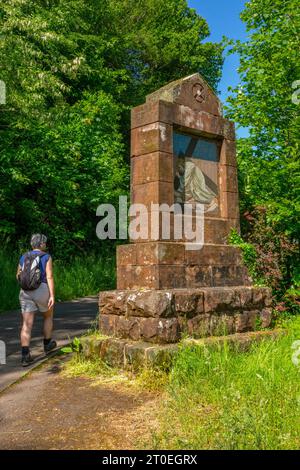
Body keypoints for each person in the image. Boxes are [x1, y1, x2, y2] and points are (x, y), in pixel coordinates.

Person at [16, 234, 56, 366]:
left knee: (26, 325)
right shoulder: (46, 257)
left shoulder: (24, 256)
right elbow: (49, 276)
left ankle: (25, 356)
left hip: (25, 291)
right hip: (42, 290)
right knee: (48, 316)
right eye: (45, 243)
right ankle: (47, 344)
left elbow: (18, 275)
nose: (45, 245)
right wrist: (52, 295)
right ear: (41, 244)